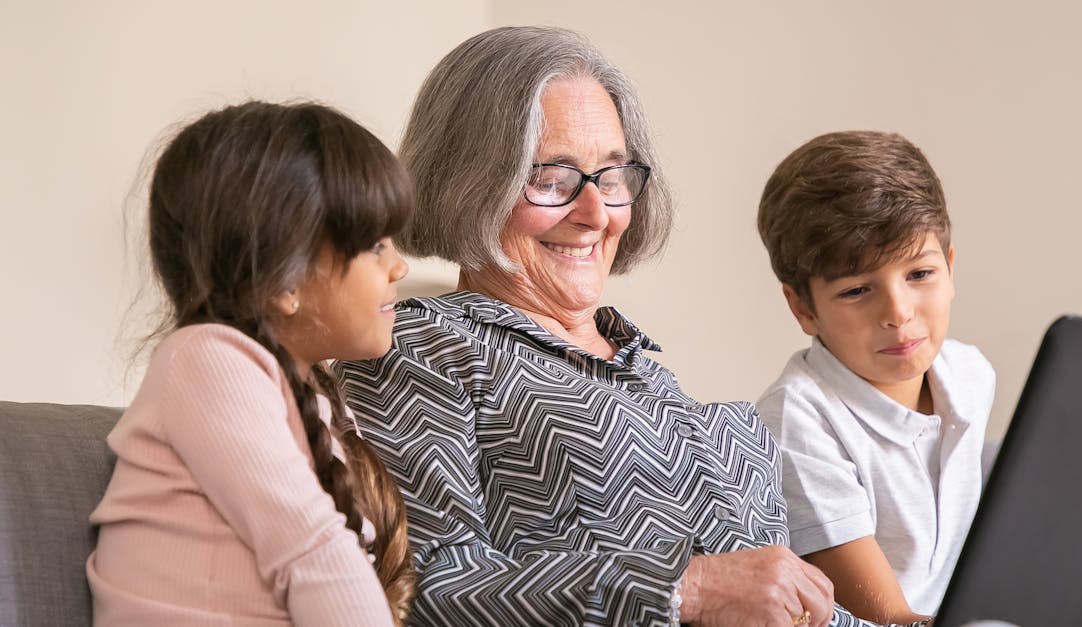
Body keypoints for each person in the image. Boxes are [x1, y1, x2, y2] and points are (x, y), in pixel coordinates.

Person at [337, 27, 925, 627]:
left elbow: (785, 603)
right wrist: (683, 590)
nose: (596, 213)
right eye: (552, 178)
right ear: (471, 181)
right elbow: (418, 586)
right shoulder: (416, 347)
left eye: (611, 176)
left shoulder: (647, 372)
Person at [87, 101, 417, 626]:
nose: (399, 264)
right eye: (375, 245)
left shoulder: (309, 394)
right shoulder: (207, 360)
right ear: (284, 281)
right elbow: (315, 554)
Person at [755, 130, 996, 623]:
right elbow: (887, 619)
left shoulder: (970, 373)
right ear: (803, 308)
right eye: (857, 290)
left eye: (920, 274)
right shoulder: (797, 421)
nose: (898, 312)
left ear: (950, 269)